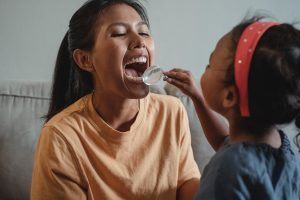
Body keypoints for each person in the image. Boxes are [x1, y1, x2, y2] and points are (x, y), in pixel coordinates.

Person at [30, 0, 200, 199]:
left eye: (144, 32)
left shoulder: (171, 111)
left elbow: (186, 183)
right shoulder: (61, 136)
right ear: (85, 60)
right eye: (119, 33)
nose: (139, 41)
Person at [165, 16, 300, 199]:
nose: (205, 68)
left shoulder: (226, 170)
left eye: (209, 65)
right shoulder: (280, 147)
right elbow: (224, 142)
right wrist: (198, 97)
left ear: (229, 96)